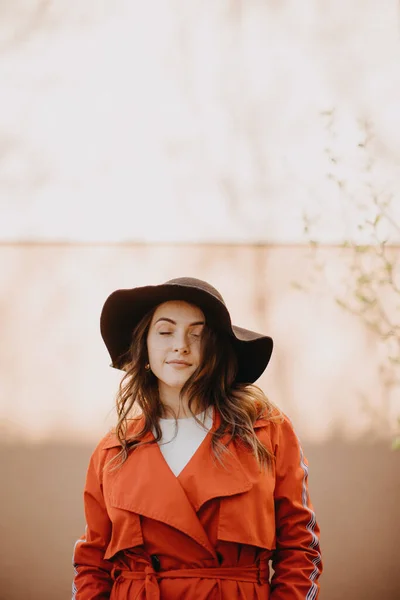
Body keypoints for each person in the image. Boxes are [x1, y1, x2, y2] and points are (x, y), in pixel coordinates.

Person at [72, 277, 322, 599]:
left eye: (197, 334)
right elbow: (92, 565)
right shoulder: (114, 450)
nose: (181, 345)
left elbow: (301, 548)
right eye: (165, 332)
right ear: (144, 345)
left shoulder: (265, 431)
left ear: (216, 347)